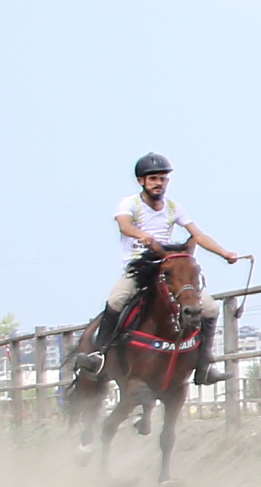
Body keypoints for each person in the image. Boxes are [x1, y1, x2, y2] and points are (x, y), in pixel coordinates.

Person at [76, 153, 242, 384]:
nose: (158, 183)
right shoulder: (129, 204)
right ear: (141, 181)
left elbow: (198, 235)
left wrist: (225, 253)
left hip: (168, 268)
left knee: (210, 309)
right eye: (153, 178)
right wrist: (141, 234)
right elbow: (124, 225)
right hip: (140, 268)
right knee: (116, 299)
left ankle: (204, 364)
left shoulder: (174, 208)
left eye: (163, 178)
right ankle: (99, 355)